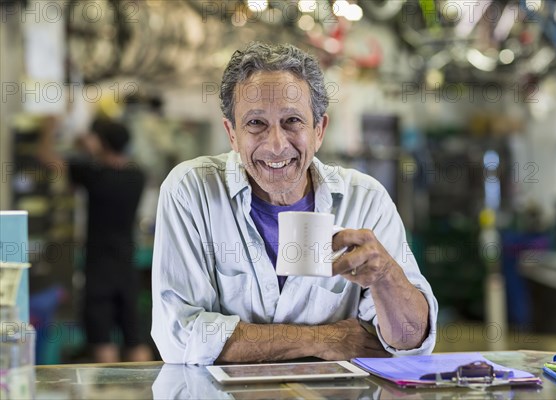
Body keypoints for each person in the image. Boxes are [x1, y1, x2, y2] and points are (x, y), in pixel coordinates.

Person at [151, 42, 438, 365]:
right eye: (256, 123)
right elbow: (179, 336)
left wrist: (385, 275)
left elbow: (410, 343)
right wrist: (326, 339)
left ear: (319, 130)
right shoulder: (191, 190)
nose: (276, 145)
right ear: (232, 133)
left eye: (292, 121)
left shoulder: (365, 199)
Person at [38, 116, 153, 363]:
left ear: (101, 144)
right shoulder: (137, 176)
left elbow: (47, 157)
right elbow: (110, 162)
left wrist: (49, 129)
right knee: (135, 339)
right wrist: (94, 148)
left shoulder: (92, 174)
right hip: (126, 267)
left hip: (99, 269)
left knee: (102, 340)